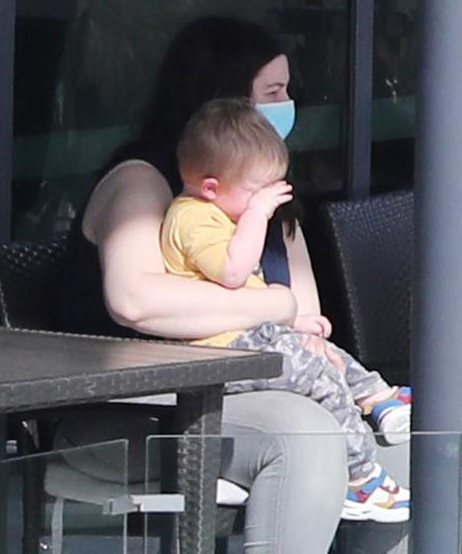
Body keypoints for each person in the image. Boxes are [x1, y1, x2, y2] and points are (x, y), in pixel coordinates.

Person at [57, 16, 406, 554]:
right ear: (224, 101)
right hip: (138, 407)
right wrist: (273, 305)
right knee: (304, 434)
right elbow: (136, 301)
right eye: (270, 92)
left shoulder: (272, 203)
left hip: (250, 387)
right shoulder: (147, 184)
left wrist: (311, 336)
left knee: (409, 451)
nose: (284, 108)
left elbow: (309, 319)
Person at [163, 97, 411, 522]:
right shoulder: (194, 219)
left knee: (319, 349)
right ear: (210, 187)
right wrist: (256, 217)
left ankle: (376, 396)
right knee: (317, 375)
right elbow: (233, 274)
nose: (269, 202)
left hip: (243, 335)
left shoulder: (218, 213)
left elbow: (245, 298)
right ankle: (359, 476)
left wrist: (293, 322)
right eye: (258, 191)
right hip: (223, 351)